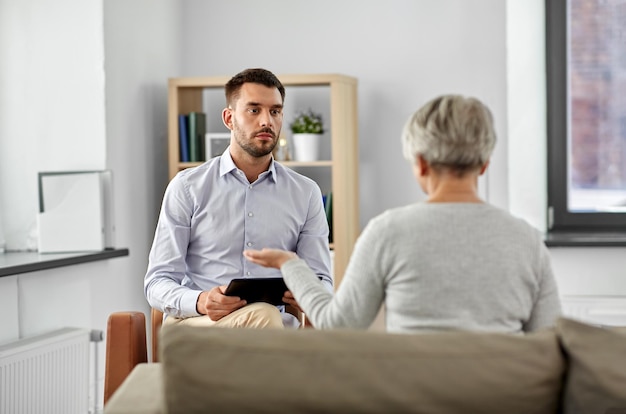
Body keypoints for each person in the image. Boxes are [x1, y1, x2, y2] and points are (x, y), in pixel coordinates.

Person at [244, 94, 562, 334]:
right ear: (484, 164)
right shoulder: (527, 240)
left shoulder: (388, 231)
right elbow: (550, 341)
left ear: (420, 163)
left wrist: (291, 264)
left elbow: (336, 324)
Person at [145, 68, 332, 329]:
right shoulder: (187, 187)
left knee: (269, 319)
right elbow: (157, 282)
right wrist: (200, 300)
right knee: (267, 319)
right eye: (254, 110)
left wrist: (308, 292)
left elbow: (322, 279)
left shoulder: (305, 192)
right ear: (229, 118)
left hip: (272, 328)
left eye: (275, 111)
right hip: (199, 325)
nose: (266, 121)